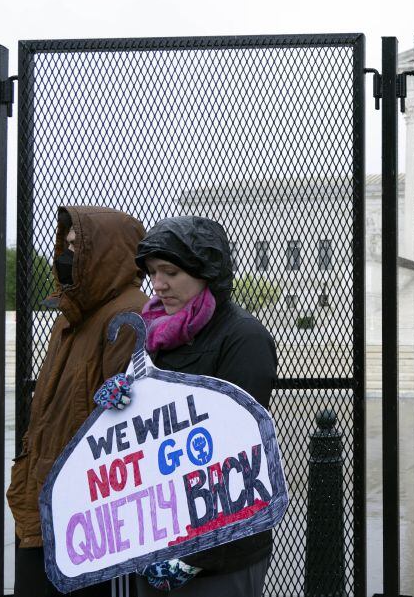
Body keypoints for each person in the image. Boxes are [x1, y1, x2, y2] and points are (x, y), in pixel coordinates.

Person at [129, 215, 277, 596]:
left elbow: (237, 455)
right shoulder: (155, 336)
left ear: (206, 272)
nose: (158, 284)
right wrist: (120, 405)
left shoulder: (243, 337)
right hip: (158, 536)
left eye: (170, 272)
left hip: (222, 553)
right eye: (152, 272)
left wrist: (199, 554)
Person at [7, 206, 148, 597]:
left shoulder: (127, 317)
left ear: (104, 252)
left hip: (91, 514)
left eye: (76, 246)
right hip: (48, 495)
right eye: (65, 245)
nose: (66, 255)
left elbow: (123, 426)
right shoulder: (73, 315)